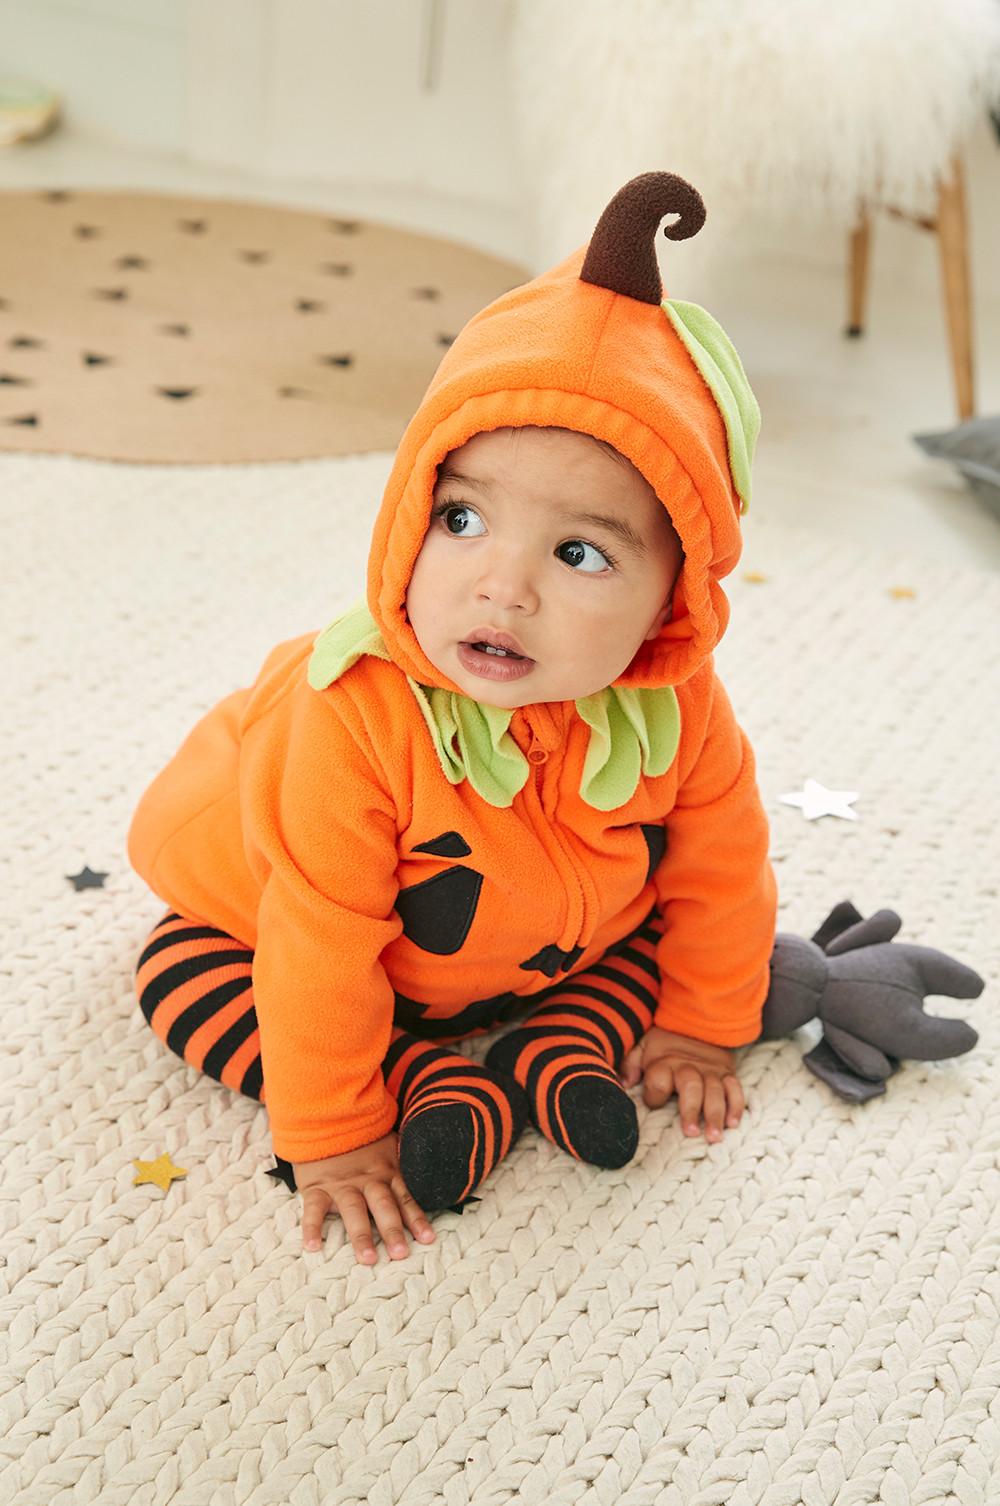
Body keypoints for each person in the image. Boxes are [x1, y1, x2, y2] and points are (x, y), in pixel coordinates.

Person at [127, 172, 777, 1266]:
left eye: (579, 553)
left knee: (673, 939)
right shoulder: (349, 719)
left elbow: (723, 869)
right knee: (176, 975)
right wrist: (332, 1134)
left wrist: (705, 1022)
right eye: (462, 517)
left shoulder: (679, 712)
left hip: (549, 951)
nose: (500, 587)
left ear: (676, 597)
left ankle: (561, 1046)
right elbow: (320, 943)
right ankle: (421, 1078)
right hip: (285, 937)